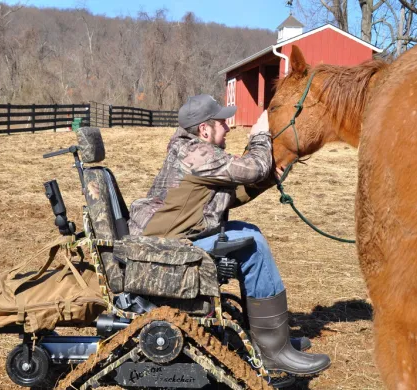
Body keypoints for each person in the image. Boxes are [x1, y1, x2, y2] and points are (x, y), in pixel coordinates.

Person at [128, 94, 330, 376]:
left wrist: (270, 180)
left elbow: (226, 197)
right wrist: (261, 135)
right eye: (223, 122)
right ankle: (273, 353)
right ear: (204, 129)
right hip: (169, 248)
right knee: (253, 245)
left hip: (173, 236)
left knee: (250, 233)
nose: (229, 127)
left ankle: (271, 340)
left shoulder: (192, 150)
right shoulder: (197, 154)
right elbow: (254, 167)